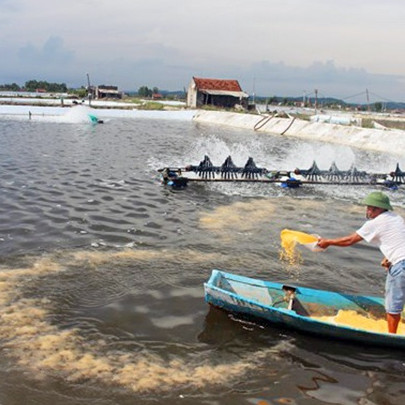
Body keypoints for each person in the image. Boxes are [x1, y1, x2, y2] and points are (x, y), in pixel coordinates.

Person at [317, 191, 405, 334]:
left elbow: (349, 240)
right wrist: (389, 258)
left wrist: (328, 242)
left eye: (371, 208)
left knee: (392, 307)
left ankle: (392, 337)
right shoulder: (396, 218)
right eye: (368, 207)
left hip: (400, 266)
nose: (368, 210)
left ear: (378, 209)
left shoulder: (376, 223)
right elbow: (399, 239)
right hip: (401, 261)